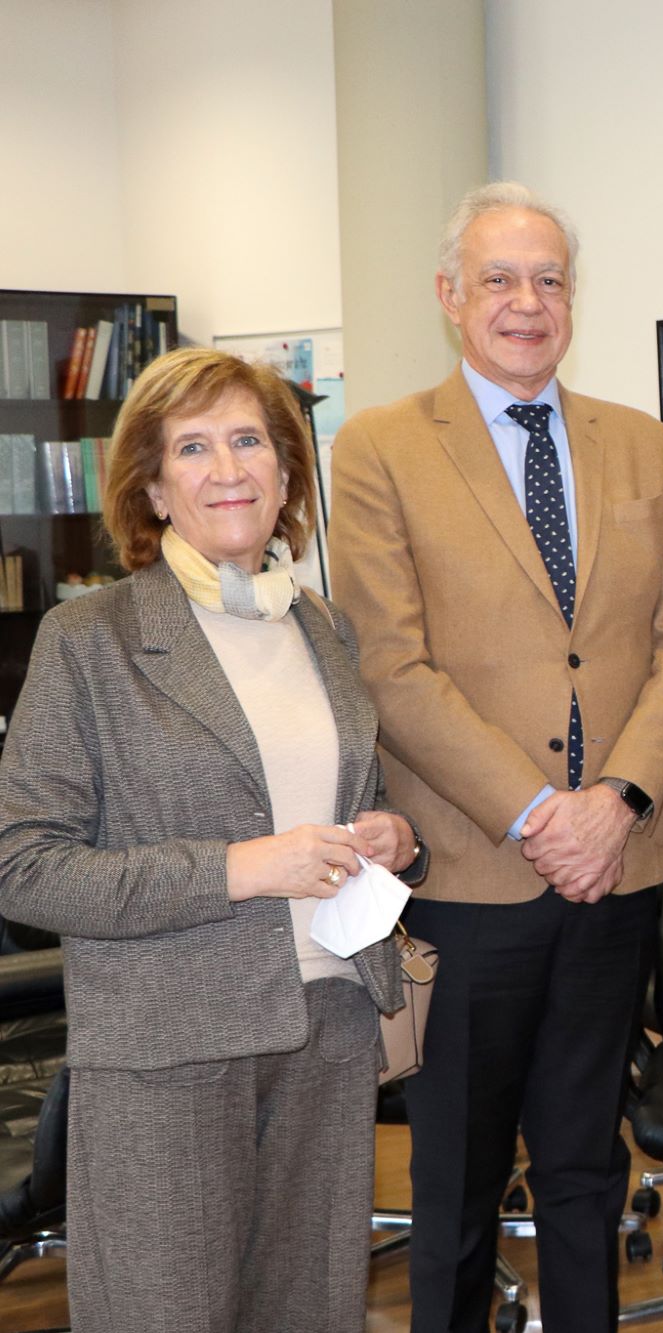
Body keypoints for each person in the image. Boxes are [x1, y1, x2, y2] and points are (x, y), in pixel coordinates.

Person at [330, 181, 663, 1333]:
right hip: (469, 881)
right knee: (453, 1188)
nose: (526, 302)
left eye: (548, 278)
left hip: (616, 873)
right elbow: (391, 670)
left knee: (587, 1171)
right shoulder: (381, 449)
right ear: (451, 297)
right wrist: (540, 811)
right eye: (499, 278)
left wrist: (616, 802)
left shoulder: (641, 446)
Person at [0, 348, 422, 1331]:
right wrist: (237, 869)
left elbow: (351, 790)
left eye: (248, 441)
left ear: (285, 473)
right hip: (166, 1050)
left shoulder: (321, 627)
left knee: (311, 1312)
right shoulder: (90, 641)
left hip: (330, 1029)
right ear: (152, 485)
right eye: (193, 447)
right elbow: (25, 867)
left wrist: (394, 833)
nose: (226, 468)